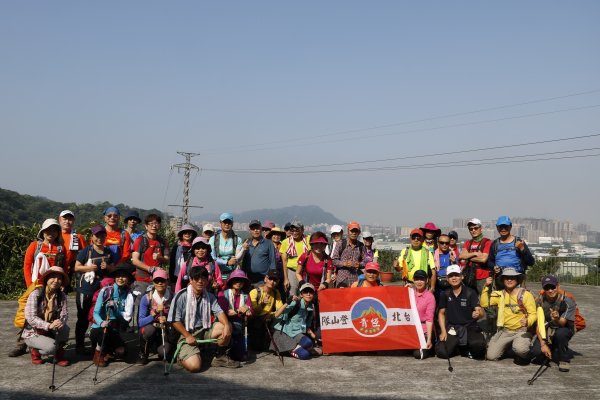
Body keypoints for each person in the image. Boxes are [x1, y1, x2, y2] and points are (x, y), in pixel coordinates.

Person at [9, 218, 66, 358]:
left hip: (53, 284)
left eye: (54, 230)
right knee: (26, 313)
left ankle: (46, 339)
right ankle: (22, 343)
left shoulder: (60, 248)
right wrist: (31, 286)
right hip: (35, 285)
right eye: (48, 230)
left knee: (51, 311)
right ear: (43, 232)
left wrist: (62, 284)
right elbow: (27, 265)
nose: (51, 233)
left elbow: (63, 267)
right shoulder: (35, 246)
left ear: (58, 233)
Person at [168, 267, 238, 372]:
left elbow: (219, 312)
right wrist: (187, 336)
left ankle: (219, 357)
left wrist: (227, 326)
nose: (200, 281)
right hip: (185, 333)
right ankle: (181, 356)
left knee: (225, 326)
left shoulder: (209, 296)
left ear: (207, 280)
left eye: (203, 278)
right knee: (195, 367)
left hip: (204, 329)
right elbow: (174, 320)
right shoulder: (181, 296)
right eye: (196, 278)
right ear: (190, 280)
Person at [73, 225, 117, 355]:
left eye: (102, 236)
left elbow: (113, 269)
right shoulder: (86, 251)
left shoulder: (108, 252)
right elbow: (76, 267)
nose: (100, 238)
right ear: (92, 237)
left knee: (99, 316)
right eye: (97, 236)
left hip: (101, 290)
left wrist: (108, 266)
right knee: (83, 318)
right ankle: (79, 344)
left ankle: (97, 346)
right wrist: (89, 268)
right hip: (86, 290)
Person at [480, 268, 536, 363]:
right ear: (502, 280)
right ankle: (509, 346)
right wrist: (486, 287)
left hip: (521, 331)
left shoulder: (526, 295)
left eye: (512, 278)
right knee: (491, 356)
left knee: (520, 349)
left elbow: (533, 314)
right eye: (506, 278)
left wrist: (528, 321)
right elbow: (484, 303)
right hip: (505, 331)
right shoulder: (499, 294)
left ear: (517, 280)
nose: (509, 280)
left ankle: (519, 349)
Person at [435, 265, 486, 360]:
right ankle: (459, 348)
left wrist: (478, 313)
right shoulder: (445, 294)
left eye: (456, 275)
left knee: (479, 347)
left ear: (462, 276)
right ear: (447, 278)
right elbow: (441, 313)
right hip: (452, 328)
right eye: (451, 276)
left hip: (469, 327)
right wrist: (443, 331)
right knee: (442, 352)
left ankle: (465, 346)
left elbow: (480, 311)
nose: (454, 278)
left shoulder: (470, 292)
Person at [23, 266, 70, 366]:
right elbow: (31, 317)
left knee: (65, 329)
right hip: (33, 331)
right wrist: (48, 326)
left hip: (50, 328)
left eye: (59, 278)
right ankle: (35, 351)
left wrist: (61, 321)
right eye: (53, 277)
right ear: (46, 279)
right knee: (51, 347)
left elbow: (64, 314)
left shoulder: (62, 296)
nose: (56, 281)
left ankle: (59, 355)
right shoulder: (36, 294)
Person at [90, 262, 135, 367]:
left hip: (114, 329)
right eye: (118, 276)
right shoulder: (105, 291)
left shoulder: (129, 295)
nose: (120, 278)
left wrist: (115, 309)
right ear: (114, 278)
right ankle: (98, 352)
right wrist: (101, 322)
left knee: (122, 352)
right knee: (104, 333)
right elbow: (95, 312)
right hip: (99, 328)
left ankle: (108, 350)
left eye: (124, 276)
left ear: (128, 279)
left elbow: (126, 317)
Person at [530, 275, 576, 372]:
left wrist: (556, 319)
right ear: (543, 289)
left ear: (558, 286)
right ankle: (550, 347)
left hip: (563, 328)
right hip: (547, 328)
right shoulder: (539, 301)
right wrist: (543, 344)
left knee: (561, 334)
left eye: (553, 287)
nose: (550, 290)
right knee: (536, 352)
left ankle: (564, 359)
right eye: (547, 288)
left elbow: (562, 323)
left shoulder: (568, 301)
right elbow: (539, 325)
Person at [131, 214, 169, 318]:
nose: (154, 226)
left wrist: (160, 258)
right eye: (151, 224)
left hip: (157, 280)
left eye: (156, 223)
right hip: (142, 279)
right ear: (146, 226)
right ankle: (140, 329)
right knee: (140, 305)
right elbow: (135, 260)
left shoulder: (162, 242)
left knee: (157, 304)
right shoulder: (140, 240)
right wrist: (150, 268)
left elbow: (166, 259)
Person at [270, 282, 319, 360]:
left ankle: (296, 348)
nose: (308, 294)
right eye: (305, 291)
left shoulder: (310, 308)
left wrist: (316, 338)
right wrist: (287, 302)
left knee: (309, 342)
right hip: (284, 334)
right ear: (301, 294)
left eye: (311, 292)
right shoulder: (296, 303)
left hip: (296, 334)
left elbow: (306, 327)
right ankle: (288, 349)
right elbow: (277, 315)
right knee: (305, 355)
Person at [137, 269, 174, 365]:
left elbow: (178, 318)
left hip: (165, 330)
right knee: (147, 330)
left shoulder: (173, 297)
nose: (160, 283)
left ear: (167, 281)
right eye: (157, 281)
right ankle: (143, 354)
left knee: (164, 352)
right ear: (153, 282)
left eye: (163, 280)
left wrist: (168, 320)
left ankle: (159, 349)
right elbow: (140, 322)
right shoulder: (146, 298)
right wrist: (155, 313)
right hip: (152, 328)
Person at [487, 216, 535, 287]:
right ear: (497, 228)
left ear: (510, 227)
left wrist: (522, 249)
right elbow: (490, 261)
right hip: (500, 280)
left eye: (506, 226)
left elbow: (531, 262)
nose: (503, 229)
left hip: (516, 280)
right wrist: (494, 267)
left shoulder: (519, 242)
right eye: (501, 227)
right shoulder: (495, 244)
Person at [218, 269, 254, 361]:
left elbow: (251, 310)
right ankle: (222, 352)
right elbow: (222, 311)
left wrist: (248, 311)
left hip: (239, 327)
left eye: (241, 281)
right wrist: (239, 311)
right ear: (231, 281)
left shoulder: (245, 295)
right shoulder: (223, 294)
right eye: (236, 280)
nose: (238, 283)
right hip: (225, 324)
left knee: (242, 356)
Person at [248, 270, 285, 352]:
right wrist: (262, 304)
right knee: (258, 348)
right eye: (270, 279)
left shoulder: (276, 292)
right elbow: (254, 312)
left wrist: (270, 314)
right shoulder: (254, 292)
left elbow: (280, 309)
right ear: (265, 279)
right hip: (256, 320)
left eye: (275, 280)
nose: (272, 282)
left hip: (269, 318)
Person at [459, 218, 491, 294]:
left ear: (481, 229)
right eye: (471, 229)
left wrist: (468, 257)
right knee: (470, 301)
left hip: (483, 277)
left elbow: (483, 259)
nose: (473, 230)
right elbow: (461, 256)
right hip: (469, 276)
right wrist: (475, 254)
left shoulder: (487, 242)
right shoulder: (468, 243)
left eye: (476, 228)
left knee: (484, 300)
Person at [209, 212, 244, 282]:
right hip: (216, 275)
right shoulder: (213, 239)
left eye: (229, 222)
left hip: (232, 275)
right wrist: (227, 262)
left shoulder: (237, 240)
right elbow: (212, 258)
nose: (227, 224)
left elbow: (237, 258)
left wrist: (244, 250)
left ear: (232, 224)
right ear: (220, 223)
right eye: (224, 222)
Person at [280, 219, 311, 297]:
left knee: (305, 294)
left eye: (297, 230)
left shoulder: (308, 239)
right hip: (292, 271)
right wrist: (286, 279)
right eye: (292, 230)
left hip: (305, 272)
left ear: (302, 230)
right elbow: (284, 261)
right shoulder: (285, 242)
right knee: (292, 294)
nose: (294, 233)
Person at [242, 219, 277, 286]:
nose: (255, 230)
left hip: (263, 280)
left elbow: (273, 261)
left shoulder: (268, 243)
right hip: (249, 280)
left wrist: (271, 278)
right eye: (253, 228)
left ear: (261, 229)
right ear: (250, 231)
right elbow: (244, 262)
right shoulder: (247, 244)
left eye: (257, 228)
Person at [58, 210, 86, 289]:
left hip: (70, 271)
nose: (67, 221)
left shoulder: (78, 237)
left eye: (70, 219)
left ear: (73, 221)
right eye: (64, 219)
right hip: (56, 269)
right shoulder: (54, 235)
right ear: (59, 220)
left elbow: (86, 254)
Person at [331, 222, 365, 288]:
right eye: (352, 231)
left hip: (355, 279)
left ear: (359, 232)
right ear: (348, 231)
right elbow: (334, 260)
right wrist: (344, 263)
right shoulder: (341, 243)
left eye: (356, 231)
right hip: (342, 278)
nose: (354, 233)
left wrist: (359, 264)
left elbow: (365, 262)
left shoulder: (361, 246)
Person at [411, 269, 435, 359]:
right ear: (413, 280)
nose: (419, 282)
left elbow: (429, 319)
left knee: (419, 354)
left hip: (424, 330)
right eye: (417, 279)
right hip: (411, 330)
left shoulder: (430, 297)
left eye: (422, 279)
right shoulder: (409, 293)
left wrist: (429, 339)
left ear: (426, 280)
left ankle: (430, 345)